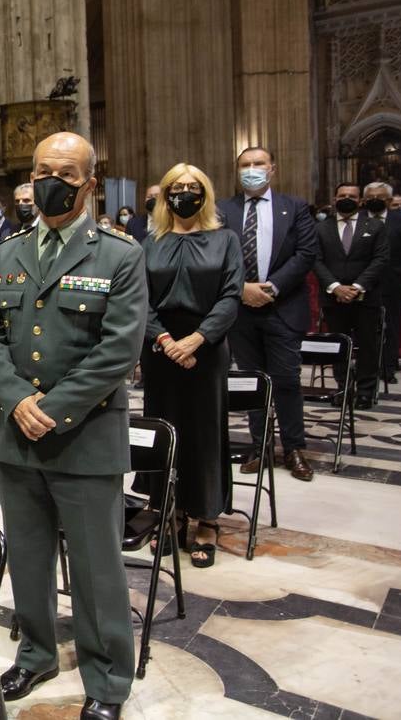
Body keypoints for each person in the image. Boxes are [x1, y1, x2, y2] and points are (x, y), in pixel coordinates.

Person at [0, 131, 145, 720]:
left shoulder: (119, 255)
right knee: (27, 556)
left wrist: (52, 407)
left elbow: (118, 350)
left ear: (89, 183)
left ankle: (107, 678)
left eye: (66, 174)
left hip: (85, 435)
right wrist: (19, 397)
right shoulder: (8, 250)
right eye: (42, 170)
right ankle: (37, 651)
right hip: (17, 435)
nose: (51, 182)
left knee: (98, 568)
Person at [140, 164, 243, 569]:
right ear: (165, 195)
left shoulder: (225, 239)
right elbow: (139, 300)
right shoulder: (150, 242)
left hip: (206, 347)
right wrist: (165, 340)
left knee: (204, 431)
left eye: (193, 187)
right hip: (161, 347)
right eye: (177, 187)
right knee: (164, 429)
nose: (185, 192)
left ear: (206, 193)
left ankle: (206, 518)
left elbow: (232, 295)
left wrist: (197, 339)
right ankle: (169, 511)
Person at [216, 146, 320, 482]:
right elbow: (216, 254)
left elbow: (305, 254)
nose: (252, 169)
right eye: (245, 165)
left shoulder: (295, 207)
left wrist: (271, 287)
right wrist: (242, 288)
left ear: (272, 168)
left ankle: (294, 447)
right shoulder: (223, 210)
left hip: (283, 306)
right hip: (241, 309)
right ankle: (260, 445)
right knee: (251, 381)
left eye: (258, 164)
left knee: (287, 380)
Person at [315, 184, 388, 410]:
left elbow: (380, 259)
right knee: (339, 345)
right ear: (335, 198)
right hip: (333, 297)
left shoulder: (375, 226)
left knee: (368, 344)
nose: (347, 199)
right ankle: (343, 387)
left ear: (360, 201)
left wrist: (357, 287)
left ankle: (365, 391)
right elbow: (315, 260)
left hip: (366, 297)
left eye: (352, 196)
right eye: (342, 195)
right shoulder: (321, 228)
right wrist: (336, 287)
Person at [363, 181, 401, 384]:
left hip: (390, 281)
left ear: (389, 200)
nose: (375, 201)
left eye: (380, 197)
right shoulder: (358, 219)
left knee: (390, 325)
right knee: (365, 327)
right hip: (361, 282)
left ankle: (388, 367)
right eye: (371, 198)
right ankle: (365, 366)